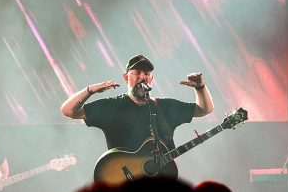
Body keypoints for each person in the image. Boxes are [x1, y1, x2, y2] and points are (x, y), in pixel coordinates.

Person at [59, 54, 213, 180]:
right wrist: (90, 90)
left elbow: (204, 109)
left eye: (146, 74)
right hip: (123, 183)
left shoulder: (164, 107)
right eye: (137, 73)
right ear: (126, 77)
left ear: (151, 79)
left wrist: (200, 87)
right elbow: (68, 110)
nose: (142, 77)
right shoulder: (112, 106)